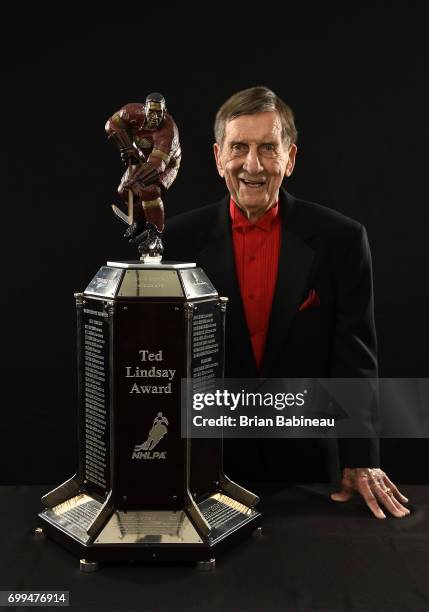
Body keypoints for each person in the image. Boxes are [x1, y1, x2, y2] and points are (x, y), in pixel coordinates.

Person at [163, 86, 409, 519]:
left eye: (267, 149)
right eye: (239, 148)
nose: (252, 165)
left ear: (290, 158)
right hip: (204, 468)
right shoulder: (176, 241)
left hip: (309, 471)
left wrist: (361, 456)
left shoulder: (342, 240)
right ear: (218, 156)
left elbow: (354, 354)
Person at [105, 92, 181, 257]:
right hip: (142, 157)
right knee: (123, 191)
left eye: (159, 113)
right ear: (144, 109)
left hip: (166, 164)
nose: (155, 117)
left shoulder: (168, 130)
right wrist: (125, 147)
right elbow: (111, 124)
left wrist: (136, 180)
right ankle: (140, 222)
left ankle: (156, 236)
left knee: (149, 190)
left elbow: (156, 165)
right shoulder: (132, 112)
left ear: (165, 111)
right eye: (151, 112)